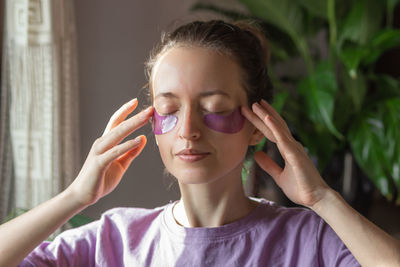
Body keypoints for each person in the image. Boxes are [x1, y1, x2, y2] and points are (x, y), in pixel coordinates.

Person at [0, 20, 399, 267]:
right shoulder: (113, 241)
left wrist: (321, 198)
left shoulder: (308, 239)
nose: (188, 129)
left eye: (214, 107)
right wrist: (75, 196)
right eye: (168, 109)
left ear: (258, 124)